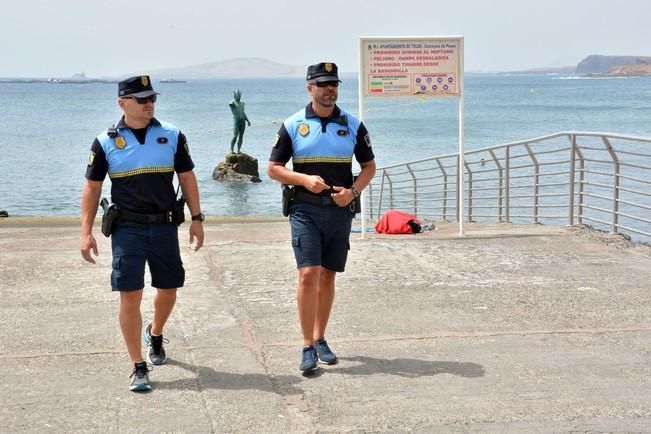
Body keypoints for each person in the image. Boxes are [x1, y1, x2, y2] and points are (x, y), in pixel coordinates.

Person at [80, 75, 205, 392]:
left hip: (164, 225)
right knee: (130, 294)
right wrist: (85, 231)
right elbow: (93, 188)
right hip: (127, 229)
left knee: (169, 289)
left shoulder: (172, 135)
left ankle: (157, 332)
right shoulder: (105, 141)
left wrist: (197, 218)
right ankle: (138, 366)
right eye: (141, 99)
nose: (149, 103)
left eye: (152, 98)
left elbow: (187, 177)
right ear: (122, 103)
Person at [267, 62, 376, 374]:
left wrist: (352, 193)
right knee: (308, 273)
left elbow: (369, 167)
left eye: (334, 84)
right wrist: (303, 179)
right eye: (323, 83)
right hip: (304, 209)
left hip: (339, 211)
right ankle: (306, 345)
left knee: (328, 275)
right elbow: (273, 168)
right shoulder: (293, 124)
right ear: (309, 87)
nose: (330, 89)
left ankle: (320, 337)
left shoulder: (354, 125)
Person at [229, 89, 251, 153]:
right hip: (236, 122)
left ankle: (238, 150)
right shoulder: (232, 103)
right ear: (234, 96)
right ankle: (231, 149)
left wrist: (247, 120)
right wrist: (232, 101)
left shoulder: (242, 103)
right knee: (235, 136)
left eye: (239, 96)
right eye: (237, 96)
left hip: (242, 121)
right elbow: (230, 103)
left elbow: (243, 113)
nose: (239, 97)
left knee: (241, 136)